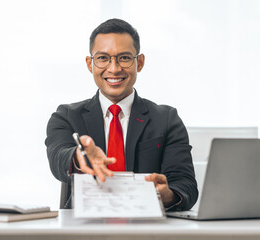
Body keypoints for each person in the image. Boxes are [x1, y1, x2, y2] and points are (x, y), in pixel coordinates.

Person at [45, 18, 198, 211]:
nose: (114, 68)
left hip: (148, 228)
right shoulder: (66, 116)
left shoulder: (166, 119)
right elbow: (57, 159)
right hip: (83, 228)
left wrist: (165, 195)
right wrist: (79, 156)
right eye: (102, 58)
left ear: (139, 63)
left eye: (124, 58)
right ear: (89, 64)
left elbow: (186, 186)